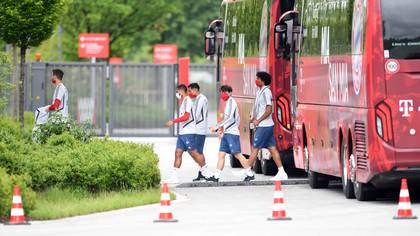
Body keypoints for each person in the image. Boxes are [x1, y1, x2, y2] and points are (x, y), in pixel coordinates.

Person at [164, 84, 214, 184]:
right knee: (178, 152)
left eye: (177, 92)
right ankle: (175, 176)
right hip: (182, 133)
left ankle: (207, 172)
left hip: (189, 132)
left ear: (180, 91)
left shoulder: (188, 101)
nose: (177, 94)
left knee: (194, 153)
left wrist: (173, 121)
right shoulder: (184, 101)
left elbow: (187, 116)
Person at [247, 71, 288, 181]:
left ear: (263, 80)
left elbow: (269, 110)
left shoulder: (267, 92)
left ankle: (247, 170)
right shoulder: (259, 91)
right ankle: (281, 172)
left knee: (255, 147)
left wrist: (258, 120)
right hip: (264, 125)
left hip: (264, 125)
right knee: (272, 149)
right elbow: (258, 108)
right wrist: (252, 117)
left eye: (258, 78)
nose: (256, 80)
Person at [210, 85, 254, 182]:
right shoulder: (228, 103)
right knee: (221, 155)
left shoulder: (231, 102)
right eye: (221, 92)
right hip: (227, 133)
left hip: (232, 134)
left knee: (237, 154)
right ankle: (216, 176)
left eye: (225, 92)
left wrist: (216, 127)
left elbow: (229, 118)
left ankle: (250, 174)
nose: (223, 94)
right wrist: (222, 128)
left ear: (230, 93)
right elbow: (230, 120)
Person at [187, 83, 212, 182]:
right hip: (197, 129)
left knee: (197, 152)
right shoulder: (197, 99)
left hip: (199, 129)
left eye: (190, 90)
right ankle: (202, 172)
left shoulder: (201, 99)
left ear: (195, 89)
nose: (189, 93)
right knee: (196, 151)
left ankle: (205, 172)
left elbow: (196, 114)